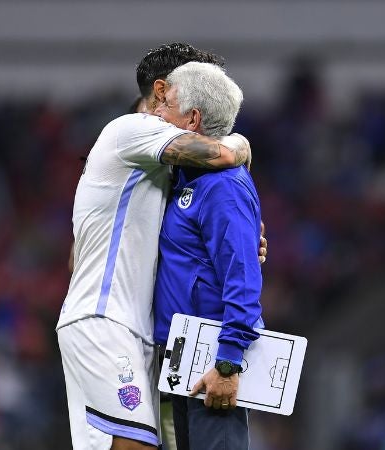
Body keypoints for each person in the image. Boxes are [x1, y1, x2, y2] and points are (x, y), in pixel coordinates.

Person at [56, 45, 254, 450]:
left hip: (146, 336)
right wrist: (242, 143)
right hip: (105, 318)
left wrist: (245, 233)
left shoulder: (166, 173)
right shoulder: (130, 129)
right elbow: (220, 153)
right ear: (162, 91)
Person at [153, 62, 264, 450]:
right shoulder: (185, 177)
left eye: (166, 105)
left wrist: (228, 363)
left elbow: (243, 276)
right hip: (181, 362)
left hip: (212, 364)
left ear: (193, 118)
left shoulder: (223, 187)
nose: (157, 113)